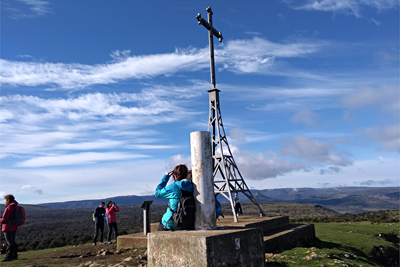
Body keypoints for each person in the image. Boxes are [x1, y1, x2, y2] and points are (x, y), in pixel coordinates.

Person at [155, 164, 193, 231]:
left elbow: (157, 193)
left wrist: (166, 176)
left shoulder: (174, 187)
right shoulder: (193, 186)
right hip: (188, 223)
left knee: (163, 222)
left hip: (171, 222)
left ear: (175, 176)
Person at [0, 194, 20, 262]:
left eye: (5, 200)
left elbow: (4, 219)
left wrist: (0, 219)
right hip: (14, 226)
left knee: (9, 243)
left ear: (8, 200)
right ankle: (14, 255)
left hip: (7, 227)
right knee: (12, 242)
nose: (4, 202)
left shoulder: (8, 208)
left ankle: (9, 256)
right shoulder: (15, 207)